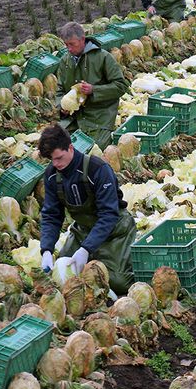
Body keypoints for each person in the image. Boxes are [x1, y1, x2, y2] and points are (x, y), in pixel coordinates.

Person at [38, 124, 136, 296]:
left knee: (117, 282)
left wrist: (86, 249)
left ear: (70, 147)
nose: (56, 164)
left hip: (114, 231)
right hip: (83, 229)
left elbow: (109, 215)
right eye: (51, 160)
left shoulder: (97, 169)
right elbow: (52, 215)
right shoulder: (52, 174)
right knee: (61, 272)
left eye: (59, 158)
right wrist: (46, 249)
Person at [55, 21, 128, 149]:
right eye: (66, 45)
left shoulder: (103, 57)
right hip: (73, 119)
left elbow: (121, 85)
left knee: (94, 150)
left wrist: (94, 90)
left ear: (82, 39)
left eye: (72, 44)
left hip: (99, 117)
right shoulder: (65, 61)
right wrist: (62, 106)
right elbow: (59, 90)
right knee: (58, 148)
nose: (69, 49)